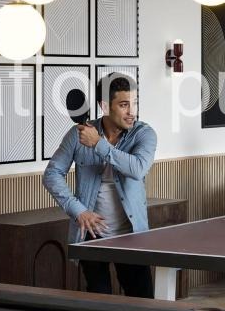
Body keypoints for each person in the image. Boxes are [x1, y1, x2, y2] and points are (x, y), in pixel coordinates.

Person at [44, 72, 158, 297]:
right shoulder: (77, 135)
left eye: (134, 103)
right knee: (99, 302)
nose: (132, 112)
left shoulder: (144, 134)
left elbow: (137, 169)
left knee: (143, 301)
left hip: (131, 236)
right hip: (92, 237)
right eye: (124, 105)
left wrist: (98, 144)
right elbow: (52, 174)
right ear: (104, 106)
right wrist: (79, 210)